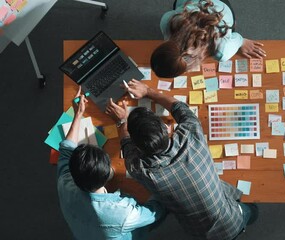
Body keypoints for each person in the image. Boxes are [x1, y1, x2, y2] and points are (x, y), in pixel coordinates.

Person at [106, 80, 258, 240]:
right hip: (232, 217)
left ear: (139, 148)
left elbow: (126, 144)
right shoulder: (192, 133)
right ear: (164, 128)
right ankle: (251, 215)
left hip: (201, 234)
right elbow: (178, 107)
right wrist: (149, 91)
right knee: (252, 211)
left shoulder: (140, 169)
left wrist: (122, 121)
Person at [57, 87, 167, 240]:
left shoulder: (65, 181)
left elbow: (67, 148)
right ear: (107, 173)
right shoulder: (121, 213)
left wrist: (78, 114)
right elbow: (154, 213)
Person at [151, 0, 267, 78]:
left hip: (220, 7)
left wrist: (241, 41)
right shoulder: (167, 21)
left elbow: (236, 38)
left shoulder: (222, 52)